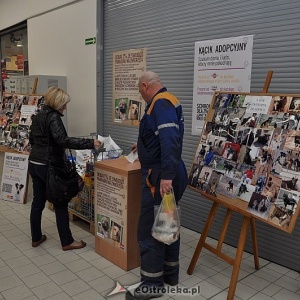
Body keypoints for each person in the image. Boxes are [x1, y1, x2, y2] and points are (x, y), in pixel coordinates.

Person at [127, 71, 188, 300]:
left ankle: (152, 283)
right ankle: (170, 274)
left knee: (150, 229)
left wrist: (166, 177)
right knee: (167, 222)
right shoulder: (168, 100)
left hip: (160, 176)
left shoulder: (160, 104)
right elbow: (161, 136)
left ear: (145, 86)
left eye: (139, 91)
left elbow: (170, 139)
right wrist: (142, 145)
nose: (140, 95)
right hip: (168, 171)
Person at [29, 86, 102, 251]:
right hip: (49, 166)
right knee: (60, 201)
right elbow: (63, 140)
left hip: (34, 163)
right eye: (64, 103)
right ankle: (67, 241)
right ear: (57, 102)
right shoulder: (54, 117)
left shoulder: (38, 116)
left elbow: (32, 139)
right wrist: (90, 143)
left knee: (38, 201)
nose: (65, 107)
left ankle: (36, 237)